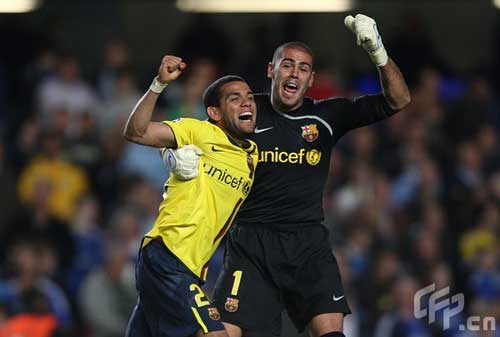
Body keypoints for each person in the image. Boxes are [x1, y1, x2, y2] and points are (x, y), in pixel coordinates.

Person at [167, 14, 411, 337]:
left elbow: (400, 99)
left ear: (310, 80)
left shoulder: (326, 117)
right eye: (287, 64)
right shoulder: (243, 111)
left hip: (307, 246)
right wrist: (172, 157)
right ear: (271, 70)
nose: (294, 72)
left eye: (303, 68)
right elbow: (184, 133)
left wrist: (378, 51)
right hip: (251, 247)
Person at [122, 55, 259, 337]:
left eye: (249, 97)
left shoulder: (253, 157)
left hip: (189, 267)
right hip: (169, 256)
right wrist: (159, 84)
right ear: (215, 113)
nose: (247, 102)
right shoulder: (199, 131)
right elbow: (136, 132)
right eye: (234, 98)